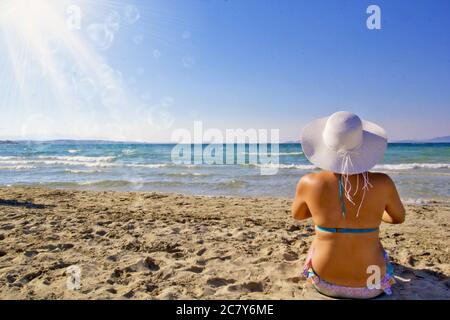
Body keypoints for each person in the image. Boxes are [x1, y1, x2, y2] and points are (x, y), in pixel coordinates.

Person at [292, 111, 405, 299]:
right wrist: (375, 214)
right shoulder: (383, 182)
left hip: (325, 282)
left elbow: (298, 214)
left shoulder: (309, 182)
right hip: (372, 284)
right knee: (375, 247)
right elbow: (397, 218)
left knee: (317, 240)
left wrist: (325, 213)